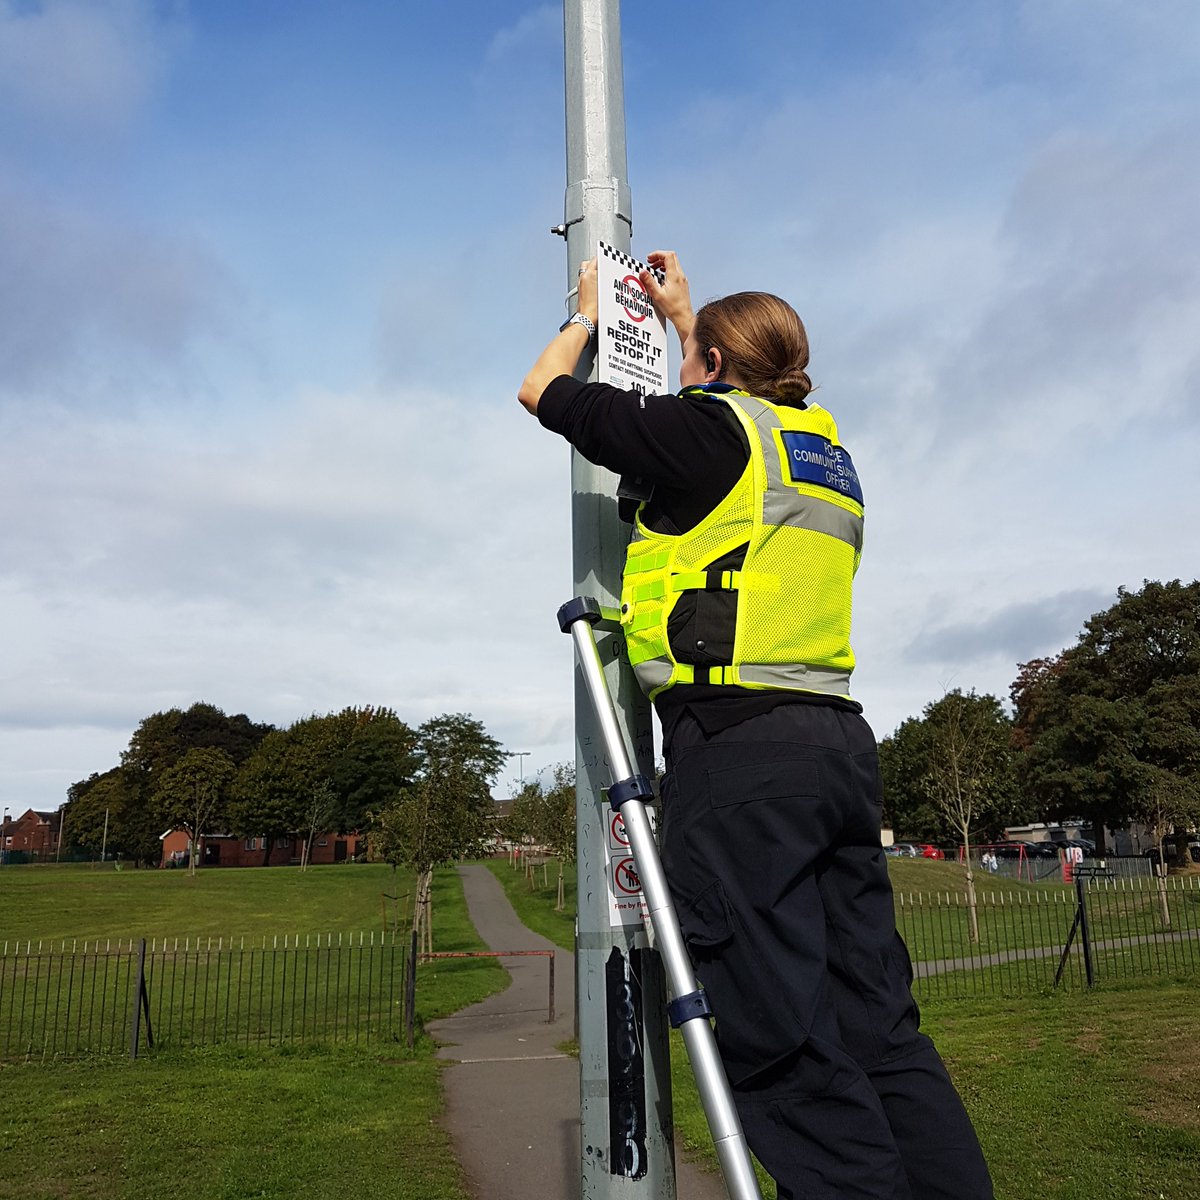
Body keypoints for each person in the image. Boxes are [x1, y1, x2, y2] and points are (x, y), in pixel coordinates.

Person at [518, 251, 993, 1200]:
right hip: (837, 751)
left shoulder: (710, 433)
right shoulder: (819, 452)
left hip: (742, 764)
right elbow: (726, 436)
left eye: (699, 360)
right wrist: (685, 319)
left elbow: (543, 391)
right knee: (879, 1027)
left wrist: (584, 315)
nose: (688, 371)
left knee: (784, 1037)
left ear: (721, 370)